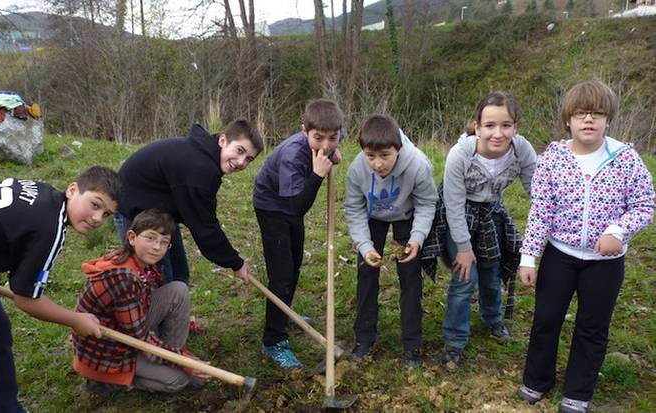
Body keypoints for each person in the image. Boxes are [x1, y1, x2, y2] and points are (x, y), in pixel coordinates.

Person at [0, 166, 121, 413]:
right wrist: (76, 319)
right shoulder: (50, 227)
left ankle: (5, 408)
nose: (97, 218)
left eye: (107, 214)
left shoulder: (47, 196)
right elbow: (27, 300)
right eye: (95, 204)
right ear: (72, 190)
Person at [516, 80, 654, 413]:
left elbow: (646, 204)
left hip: (604, 264)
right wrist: (528, 257)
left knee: (592, 326)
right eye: (580, 114)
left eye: (597, 113)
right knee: (546, 318)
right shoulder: (552, 159)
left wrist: (618, 231)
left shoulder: (625, 159)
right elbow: (540, 211)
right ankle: (537, 381)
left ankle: (578, 391)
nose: (588, 120)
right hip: (559, 256)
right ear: (568, 120)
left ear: (608, 119)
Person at [423, 91, 537, 368]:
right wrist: (462, 247)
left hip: (490, 214)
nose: (498, 133)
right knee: (465, 276)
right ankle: (454, 340)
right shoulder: (460, 155)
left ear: (515, 127)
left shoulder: (521, 150)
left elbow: (538, 191)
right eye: (489, 126)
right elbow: (452, 202)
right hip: (457, 213)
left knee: (491, 271)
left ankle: (493, 319)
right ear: (477, 127)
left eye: (506, 125)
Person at [115, 120, 264, 332]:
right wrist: (235, 263)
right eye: (239, 151)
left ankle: (177, 320)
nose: (241, 161)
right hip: (135, 213)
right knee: (159, 281)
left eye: (248, 159)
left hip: (162, 213)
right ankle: (158, 344)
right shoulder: (201, 168)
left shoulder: (204, 158)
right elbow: (205, 227)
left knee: (179, 273)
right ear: (223, 140)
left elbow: (198, 215)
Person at [72, 209, 210, 394]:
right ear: (131, 237)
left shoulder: (140, 262)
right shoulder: (123, 279)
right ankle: (109, 381)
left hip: (126, 327)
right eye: (150, 238)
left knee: (178, 290)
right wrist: (184, 362)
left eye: (164, 242)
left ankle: (168, 357)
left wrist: (180, 358)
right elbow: (139, 338)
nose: (157, 247)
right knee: (180, 380)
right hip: (109, 349)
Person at [252, 98, 343, 369]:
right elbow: (296, 208)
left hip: (291, 203)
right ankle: (273, 341)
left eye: (333, 138)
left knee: (294, 266)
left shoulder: (330, 131)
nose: (326, 145)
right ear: (304, 131)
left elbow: (333, 139)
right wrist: (317, 175)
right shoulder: (293, 154)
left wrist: (331, 153)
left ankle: (286, 311)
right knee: (281, 275)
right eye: (318, 139)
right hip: (273, 206)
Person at [344, 114, 438, 369]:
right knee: (366, 273)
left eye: (384, 156)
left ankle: (412, 343)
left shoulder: (418, 165)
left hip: (406, 216)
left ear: (398, 148)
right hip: (373, 217)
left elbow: (427, 203)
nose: (377, 164)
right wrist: (365, 247)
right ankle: (364, 338)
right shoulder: (356, 169)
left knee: (409, 277)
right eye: (370, 156)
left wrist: (417, 238)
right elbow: (353, 209)